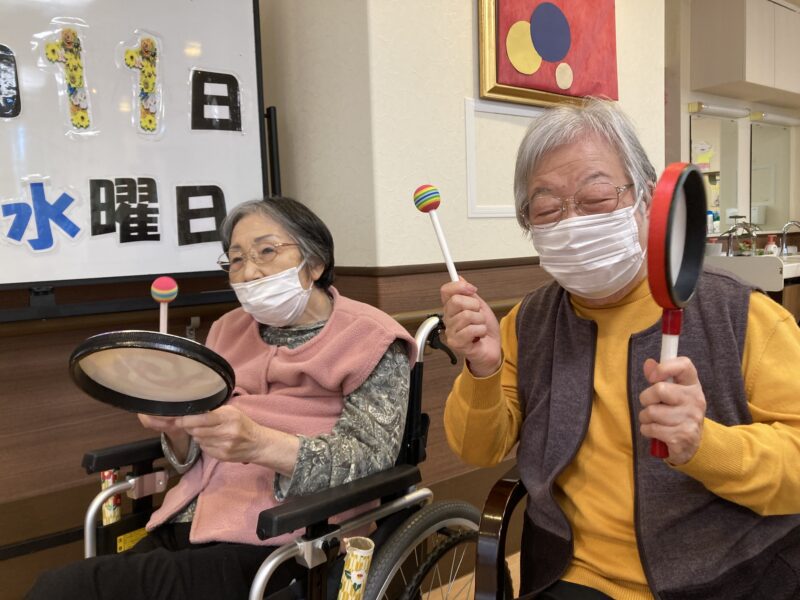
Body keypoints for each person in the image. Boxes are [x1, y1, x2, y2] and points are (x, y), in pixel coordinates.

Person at [441, 99, 800, 599]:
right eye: (547, 210)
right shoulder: (529, 322)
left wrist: (705, 446)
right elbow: (478, 449)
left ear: (646, 199)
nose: (572, 223)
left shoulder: (741, 315)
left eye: (595, 198)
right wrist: (482, 371)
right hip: (568, 575)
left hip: (724, 576)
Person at [28, 197, 417, 600]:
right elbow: (194, 452)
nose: (249, 272)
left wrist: (261, 444)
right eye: (236, 259)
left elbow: (370, 457)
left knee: (61, 590)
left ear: (315, 263)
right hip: (189, 516)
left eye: (266, 251)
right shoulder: (227, 330)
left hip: (287, 535)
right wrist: (175, 428)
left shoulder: (371, 337)